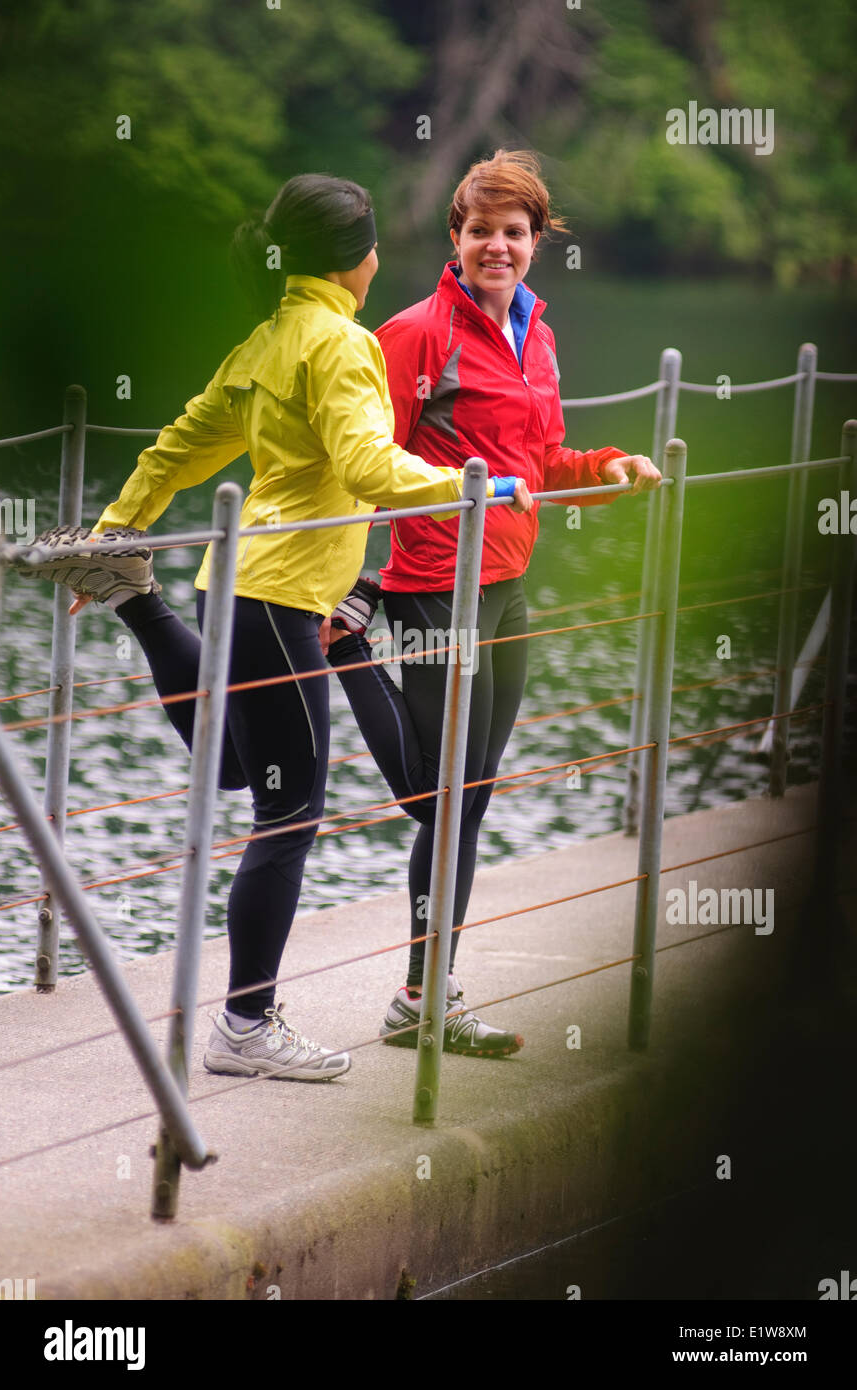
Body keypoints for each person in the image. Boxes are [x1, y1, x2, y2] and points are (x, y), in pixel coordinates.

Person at [13, 172, 532, 1082]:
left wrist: (114, 529)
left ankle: (136, 592)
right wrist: (471, 486)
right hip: (282, 599)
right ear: (361, 257)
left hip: (231, 585)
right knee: (288, 812)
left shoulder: (264, 341)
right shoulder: (342, 344)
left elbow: (179, 447)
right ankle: (246, 1026)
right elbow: (368, 464)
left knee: (230, 767)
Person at [325, 149, 660, 1058]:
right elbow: (367, 466)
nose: (497, 247)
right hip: (435, 584)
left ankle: (422, 996)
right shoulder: (414, 335)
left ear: (536, 242)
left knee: (466, 803)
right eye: (481, 232)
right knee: (446, 798)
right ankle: (347, 651)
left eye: (514, 233)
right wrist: (355, 573)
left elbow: (539, 467)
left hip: (507, 587)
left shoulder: (538, 338)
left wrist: (607, 469)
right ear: (455, 238)